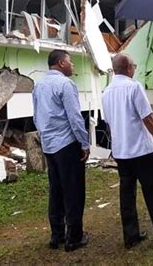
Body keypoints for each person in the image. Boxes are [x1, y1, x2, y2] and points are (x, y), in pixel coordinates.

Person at [102, 53, 153, 249]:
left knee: (127, 194)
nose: (135, 68)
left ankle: (131, 236)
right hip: (141, 151)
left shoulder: (106, 92)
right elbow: (148, 118)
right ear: (128, 68)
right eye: (134, 65)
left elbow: (109, 124)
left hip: (121, 152)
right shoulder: (134, 87)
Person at [32, 49, 90, 252]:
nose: (73, 65)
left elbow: (36, 116)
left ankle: (56, 235)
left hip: (49, 145)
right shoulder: (65, 84)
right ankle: (74, 237)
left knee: (56, 190)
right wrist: (84, 143)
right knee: (73, 191)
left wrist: (45, 137)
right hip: (66, 144)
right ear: (61, 63)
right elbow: (74, 118)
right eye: (70, 61)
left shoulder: (38, 85)